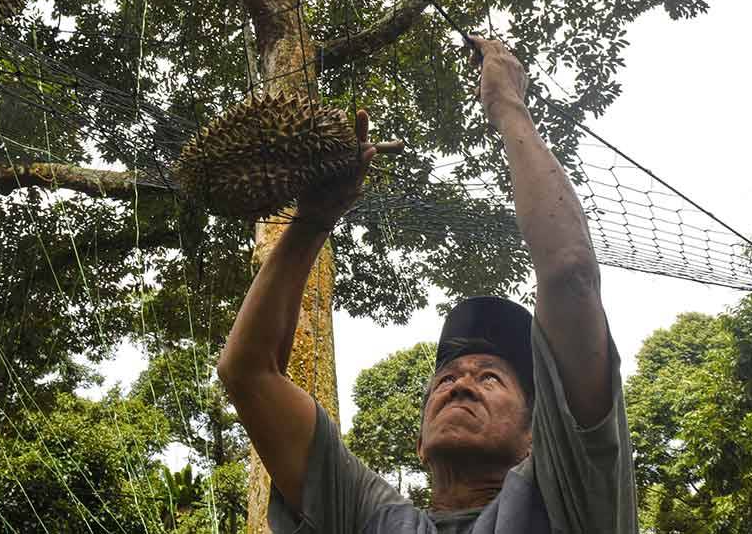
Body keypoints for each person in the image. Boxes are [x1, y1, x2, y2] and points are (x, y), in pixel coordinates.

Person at [216, 36, 638, 533]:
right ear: (419, 444)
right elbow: (247, 372)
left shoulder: (570, 496)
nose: (459, 383)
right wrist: (313, 219)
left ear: (535, 436)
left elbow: (570, 274)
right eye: (445, 380)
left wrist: (505, 104)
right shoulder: (370, 518)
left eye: (489, 378)